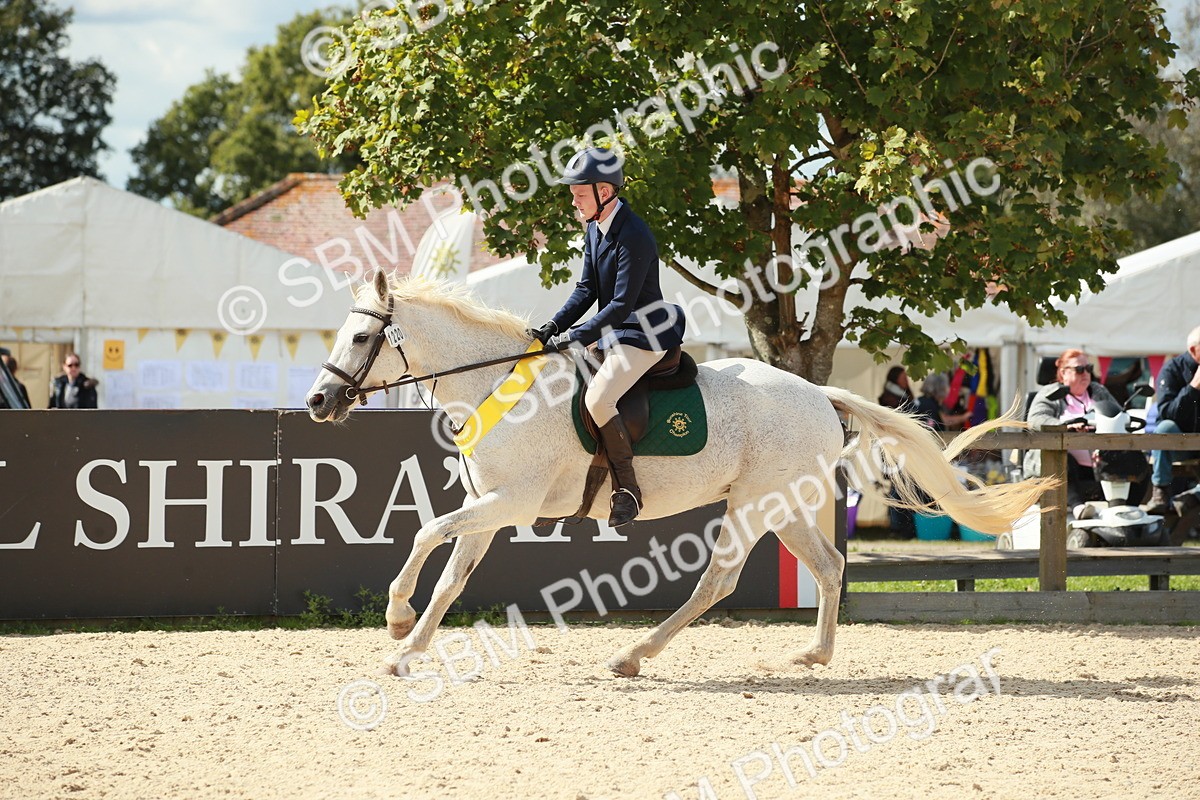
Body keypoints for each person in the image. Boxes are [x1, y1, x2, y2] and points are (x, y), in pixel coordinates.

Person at [527, 147, 686, 527]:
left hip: (644, 331)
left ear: (604, 191)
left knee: (599, 398)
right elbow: (586, 289)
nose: (573, 200)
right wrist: (552, 327)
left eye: (579, 193)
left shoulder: (634, 234)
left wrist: (578, 336)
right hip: (616, 330)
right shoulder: (596, 228)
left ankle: (628, 490)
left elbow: (619, 303)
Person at [1026, 349, 1126, 517]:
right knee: (1062, 458)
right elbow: (1035, 419)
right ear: (1064, 373)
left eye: (1089, 368)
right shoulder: (1051, 392)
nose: (1086, 373)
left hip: (1096, 462)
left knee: (1132, 459)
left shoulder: (1098, 391)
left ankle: (1124, 511)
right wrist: (1064, 426)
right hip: (1056, 461)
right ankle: (1078, 507)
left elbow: (1118, 414)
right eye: (1080, 369)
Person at [1143, 325, 1200, 513]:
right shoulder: (1172, 369)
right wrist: (1193, 387)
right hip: (1180, 444)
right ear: (1193, 350)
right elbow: (1167, 413)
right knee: (1165, 428)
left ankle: (1193, 496)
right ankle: (1160, 491)